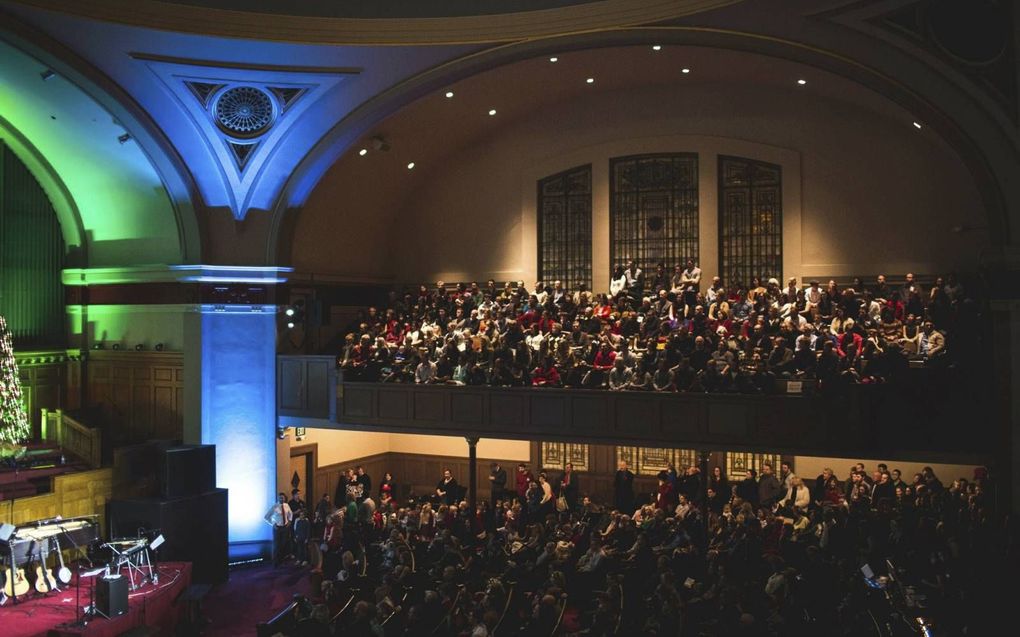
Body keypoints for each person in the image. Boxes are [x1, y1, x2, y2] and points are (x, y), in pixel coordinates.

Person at [264, 492, 293, 567]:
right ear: (278, 498)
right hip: (277, 528)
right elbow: (266, 517)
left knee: (283, 545)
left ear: (285, 498)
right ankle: (275, 563)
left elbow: (290, 513)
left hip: (285, 528)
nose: (281, 499)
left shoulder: (287, 505)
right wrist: (273, 524)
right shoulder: (275, 506)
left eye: (283, 498)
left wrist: (289, 521)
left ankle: (281, 561)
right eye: (280, 498)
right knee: (276, 546)